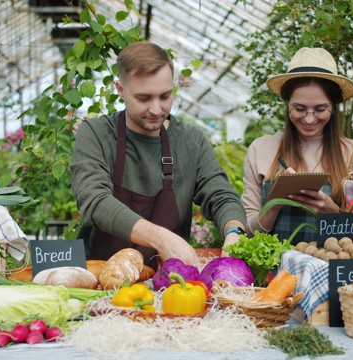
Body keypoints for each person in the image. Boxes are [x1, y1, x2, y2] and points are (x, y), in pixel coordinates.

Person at [70, 41, 247, 269]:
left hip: (170, 283)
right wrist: (160, 238)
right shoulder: (96, 134)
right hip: (102, 280)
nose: (156, 110)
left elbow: (220, 195)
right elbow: (94, 201)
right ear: (121, 90)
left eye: (165, 96)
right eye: (144, 99)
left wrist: (234, 232)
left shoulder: (190, 141)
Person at [241, 47, 353, 243]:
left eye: (320, 109)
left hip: (332, 269)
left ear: (333, 108)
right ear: (287, 105)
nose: (309, 119)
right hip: (275, 273)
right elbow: (248, 232)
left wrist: (333, 213)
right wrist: (273, 205)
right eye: (299, 109)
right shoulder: (261, 149)